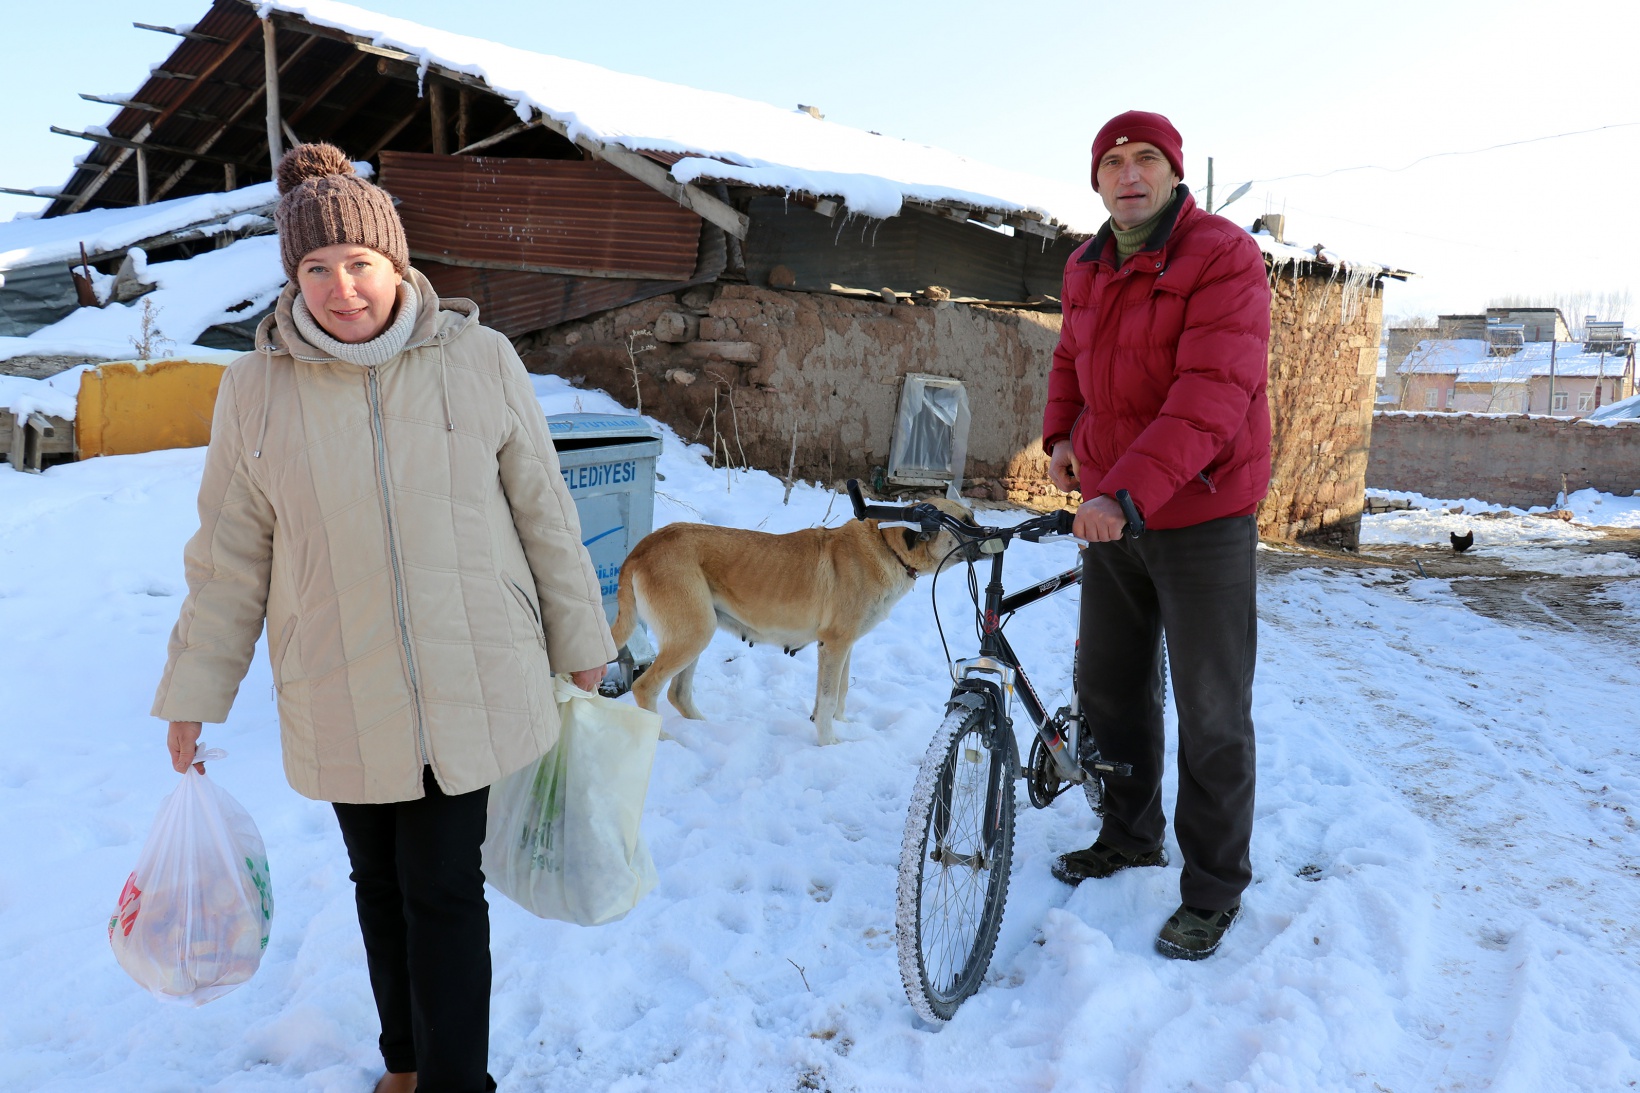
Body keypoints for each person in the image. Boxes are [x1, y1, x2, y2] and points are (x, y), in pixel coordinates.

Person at [153, 143, 618, 1093]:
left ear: (396, 263)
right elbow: (229, 556)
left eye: (359, 262)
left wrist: (580, 636)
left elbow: (545, 510)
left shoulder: (479, 359)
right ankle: (403, 1064)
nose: (341, 289)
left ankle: (454, 1083)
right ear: (293, 277)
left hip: (468, 669)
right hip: (337, 676)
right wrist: (194, 691)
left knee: (441, 886)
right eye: (316, 268)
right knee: (378, 882)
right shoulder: (255, 391)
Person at [1042, 111, 1271, 960]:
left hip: (1201, 513)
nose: (1129, 174)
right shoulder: (1086, 264)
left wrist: (1124, 492)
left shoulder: (1222, 256)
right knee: (1111, 689)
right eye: (1112, 162)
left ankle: (1213, 887)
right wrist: (1061, 436)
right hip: (1114, 512)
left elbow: (1210, 394)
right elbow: (1070, 359)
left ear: (1175, 173)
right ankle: (1129, 833)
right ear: (1096, 179)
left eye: (1146, 159)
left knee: (1212, 708)